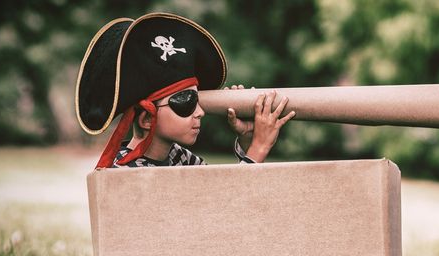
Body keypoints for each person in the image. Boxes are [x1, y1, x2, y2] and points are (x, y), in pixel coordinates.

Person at [75, 12, 294, 168]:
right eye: (186, 101)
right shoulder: (125, 173)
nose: (200, 112)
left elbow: (224, 203)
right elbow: (225, 212)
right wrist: (258, 150)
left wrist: (248, 140)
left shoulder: (178, 158)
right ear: (146, 119)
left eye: (198, 100)